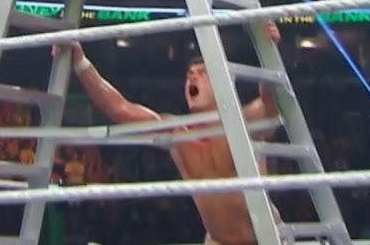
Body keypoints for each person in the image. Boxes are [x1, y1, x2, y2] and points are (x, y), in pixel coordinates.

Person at [57, 22, 284, 245]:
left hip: (264, 240)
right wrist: (80, 62)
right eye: (189, 74)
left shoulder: (244, 122)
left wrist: (268, 48)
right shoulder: (177, 133)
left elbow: (271, 103)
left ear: (220, 83)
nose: (192, 77)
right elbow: (120, 109)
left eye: (202, 73)